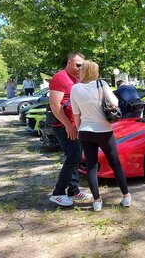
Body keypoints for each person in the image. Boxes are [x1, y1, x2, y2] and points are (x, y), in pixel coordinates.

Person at [70, 60, 131, 211]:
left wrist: (79, 131)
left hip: (85, 131)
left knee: (91, 166)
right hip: (103, 130)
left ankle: (96, 201)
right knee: (115, 164)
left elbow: (76, 114)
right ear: (95, 71)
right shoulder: (100, 84)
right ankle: (126, 197)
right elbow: (115, 102)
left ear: (83, 71)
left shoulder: (75, 88)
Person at [49, 52, 92, 207]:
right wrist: (68, 125)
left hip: (76, 125)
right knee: (73, 157)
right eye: (77, 65)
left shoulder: (77, 78)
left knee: (75, 157)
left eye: (82, 65)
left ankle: (73, 190)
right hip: (63, 126)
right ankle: (58, 193)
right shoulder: (60, 78)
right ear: (69, 62)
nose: (80, 68)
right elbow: (55, 105)